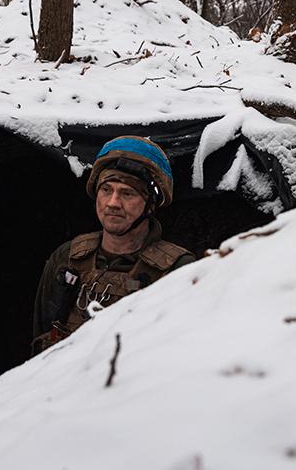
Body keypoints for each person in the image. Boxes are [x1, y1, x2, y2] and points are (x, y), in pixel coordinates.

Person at [32, 136, 195, 353]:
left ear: (151, 204)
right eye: (106, 189)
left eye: (127, 193)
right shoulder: (67, 257)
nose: (113, 203)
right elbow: (41, 338)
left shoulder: (177, 269)